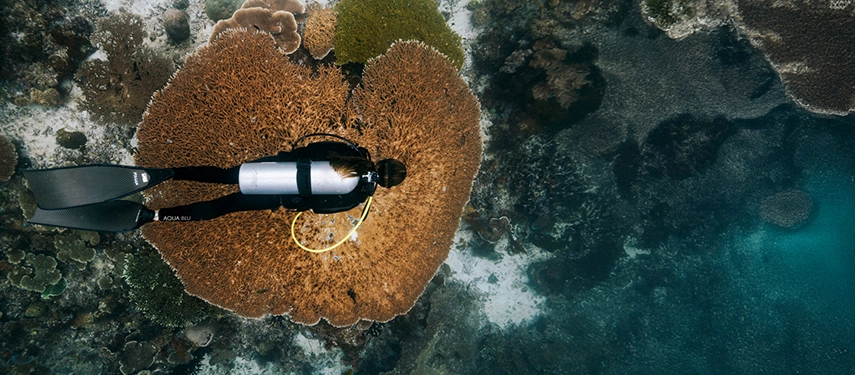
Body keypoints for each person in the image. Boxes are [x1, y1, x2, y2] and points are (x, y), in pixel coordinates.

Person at [24, 134, 406, 234]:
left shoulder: (353, 152)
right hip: (279, 195)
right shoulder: (358, 197)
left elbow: (312, 146)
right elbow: (318, 207)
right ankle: (156, 216)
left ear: (383, 160)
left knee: (223, 174)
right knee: (222, 207)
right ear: (385, 185)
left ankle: (165, 174)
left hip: (271, 169)